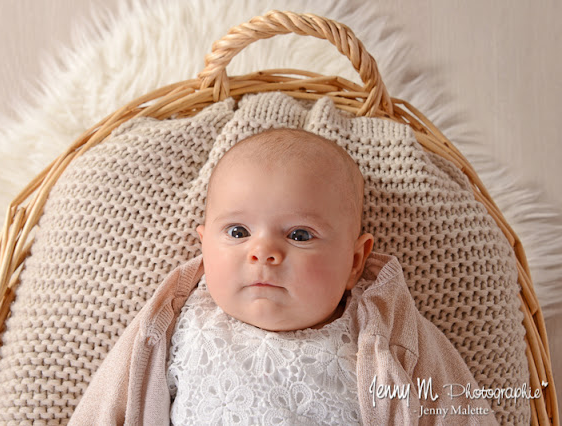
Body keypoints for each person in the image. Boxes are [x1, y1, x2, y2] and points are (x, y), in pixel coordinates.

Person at [70, 128, 496, 425]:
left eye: (299, 234)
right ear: (203, 245)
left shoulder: (387, 334)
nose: (264, 252)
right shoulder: (174, 322)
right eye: (238, 232)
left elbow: (459, 410)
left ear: (354, 262)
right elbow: (105, 408)